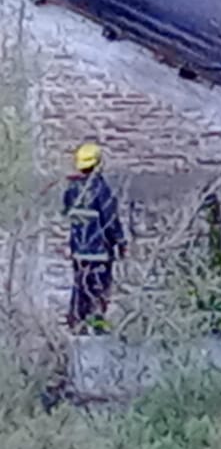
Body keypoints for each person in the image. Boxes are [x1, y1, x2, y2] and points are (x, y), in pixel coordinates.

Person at [62, 141, 125, 334]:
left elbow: (67, 213)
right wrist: (120, 241)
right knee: (99, 286)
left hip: (78, 250)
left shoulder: (72, 189)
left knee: (80, 284)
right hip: (99, 250)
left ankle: (77, 322)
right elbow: (110, 218)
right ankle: (97, 322)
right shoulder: (101, 188)